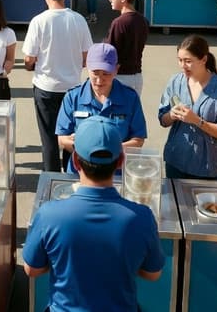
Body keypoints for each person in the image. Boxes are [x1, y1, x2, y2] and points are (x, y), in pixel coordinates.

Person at [23, 116, 163, 310]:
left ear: (76, 161)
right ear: (121, 161)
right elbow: (153, 273)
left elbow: (32, 269)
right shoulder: (142, 217)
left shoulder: (49, 215)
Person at [22, 0, 92, 172]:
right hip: (73, 89)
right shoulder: (78, 20)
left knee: (49, 140)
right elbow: (87, 56)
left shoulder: (38, 21)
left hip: (45, 88)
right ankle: (71, 175)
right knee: (71, 137)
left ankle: (51, 179)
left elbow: (29, 59)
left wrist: (32, 66)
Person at [56, 43, 147, 174]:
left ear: (116, 70)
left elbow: (138, 140)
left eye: (106, 74)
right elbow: (62, 138)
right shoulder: (73, 97)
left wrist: (110, 151)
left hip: (116, 173)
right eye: (95, 73)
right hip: (81, 172)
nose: (99, 80)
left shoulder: (130, 98)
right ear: (87, 67)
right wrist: (85, 150)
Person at [157, 34, 217, 180]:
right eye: (179, 60)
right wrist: (172, 115)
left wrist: (197, 121)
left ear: (204, 60)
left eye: (188, 61)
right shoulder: (175, 82)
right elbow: (163, 119)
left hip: (207, 166)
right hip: (176, 160)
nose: (182, 65)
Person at [104, 0, 149, 95]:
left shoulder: (119, 23)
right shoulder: (142, 20)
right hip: (137, 76)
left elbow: (112, 52)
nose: (110, 0)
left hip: (121, 77)